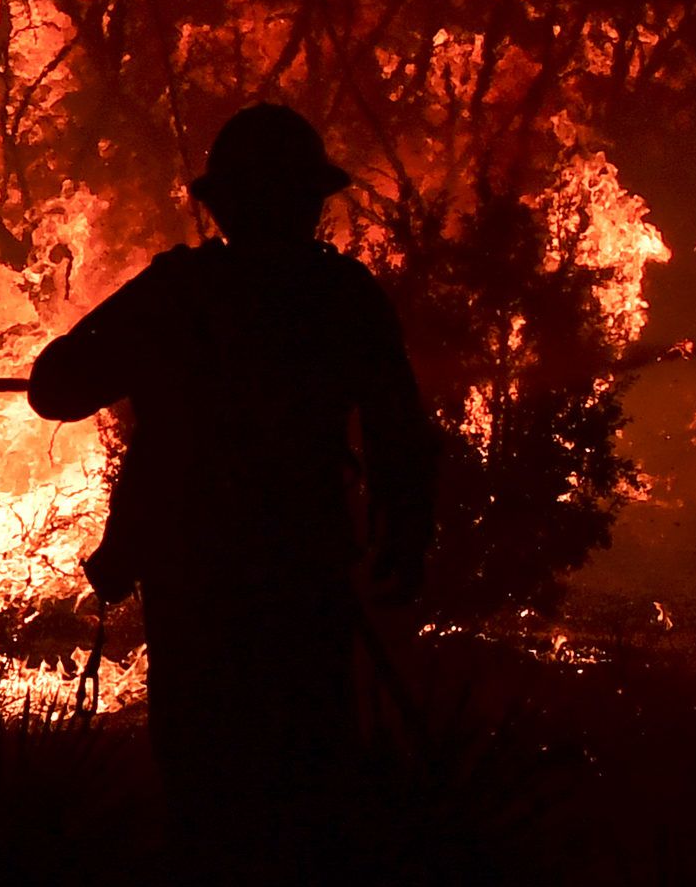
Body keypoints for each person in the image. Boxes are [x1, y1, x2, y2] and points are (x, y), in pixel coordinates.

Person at [30, 102, 440, 839]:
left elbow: (56, 387)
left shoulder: (179, 292)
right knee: (309, 773)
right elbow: (399, 431)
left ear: (221, 205)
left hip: (197, 572)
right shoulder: (344, 296)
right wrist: (404, 537)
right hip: (304, 568)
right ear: (313, 202)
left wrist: (146, 345)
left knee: (204, 779)